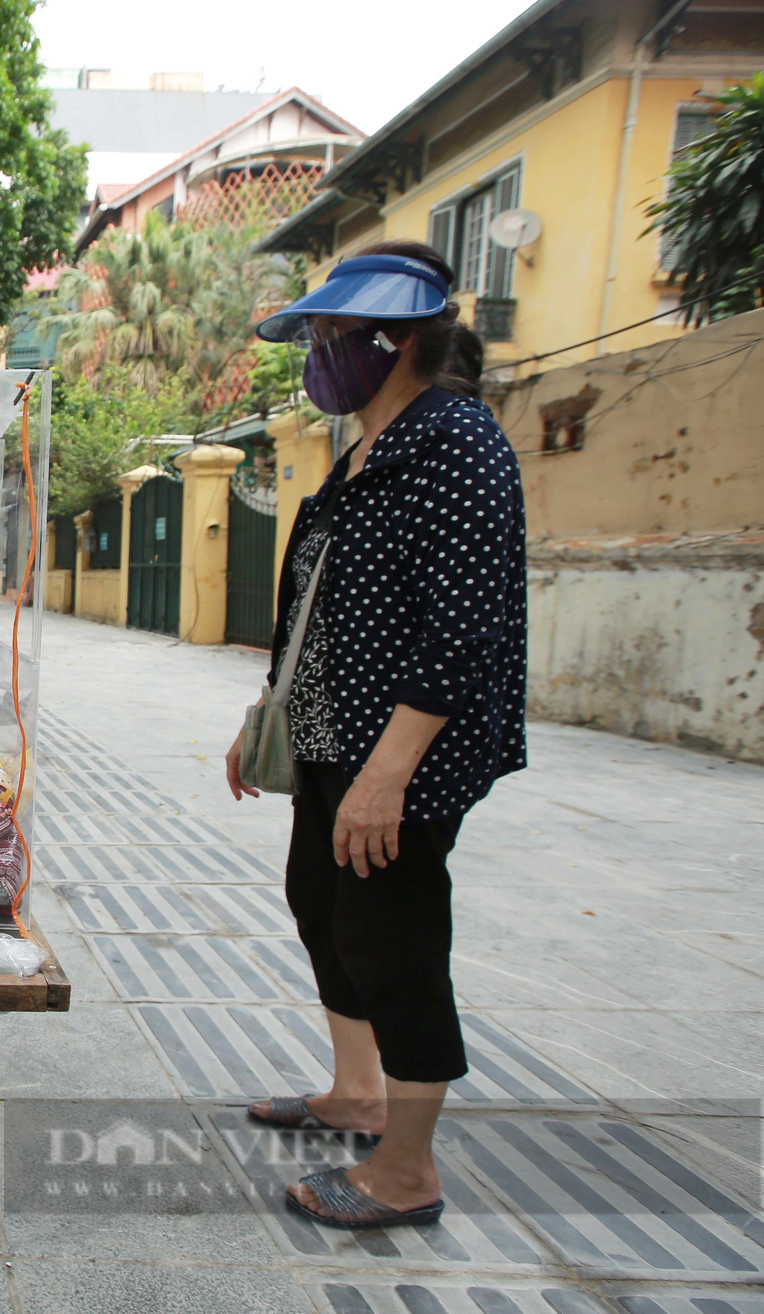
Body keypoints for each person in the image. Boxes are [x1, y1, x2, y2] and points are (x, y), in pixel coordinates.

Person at [224, 241, 526, 1229]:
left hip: (398, 747)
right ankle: (354, 1093)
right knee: (319, 900)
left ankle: (405, 1169)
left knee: (392, 936)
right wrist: (265, 714)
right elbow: (315, 604)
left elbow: (464, 624)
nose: (316, 352)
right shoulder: (360, 451)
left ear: (391, 339)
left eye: (328, 333)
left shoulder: (457, 442)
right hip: (327, 729)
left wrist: (386, 773)